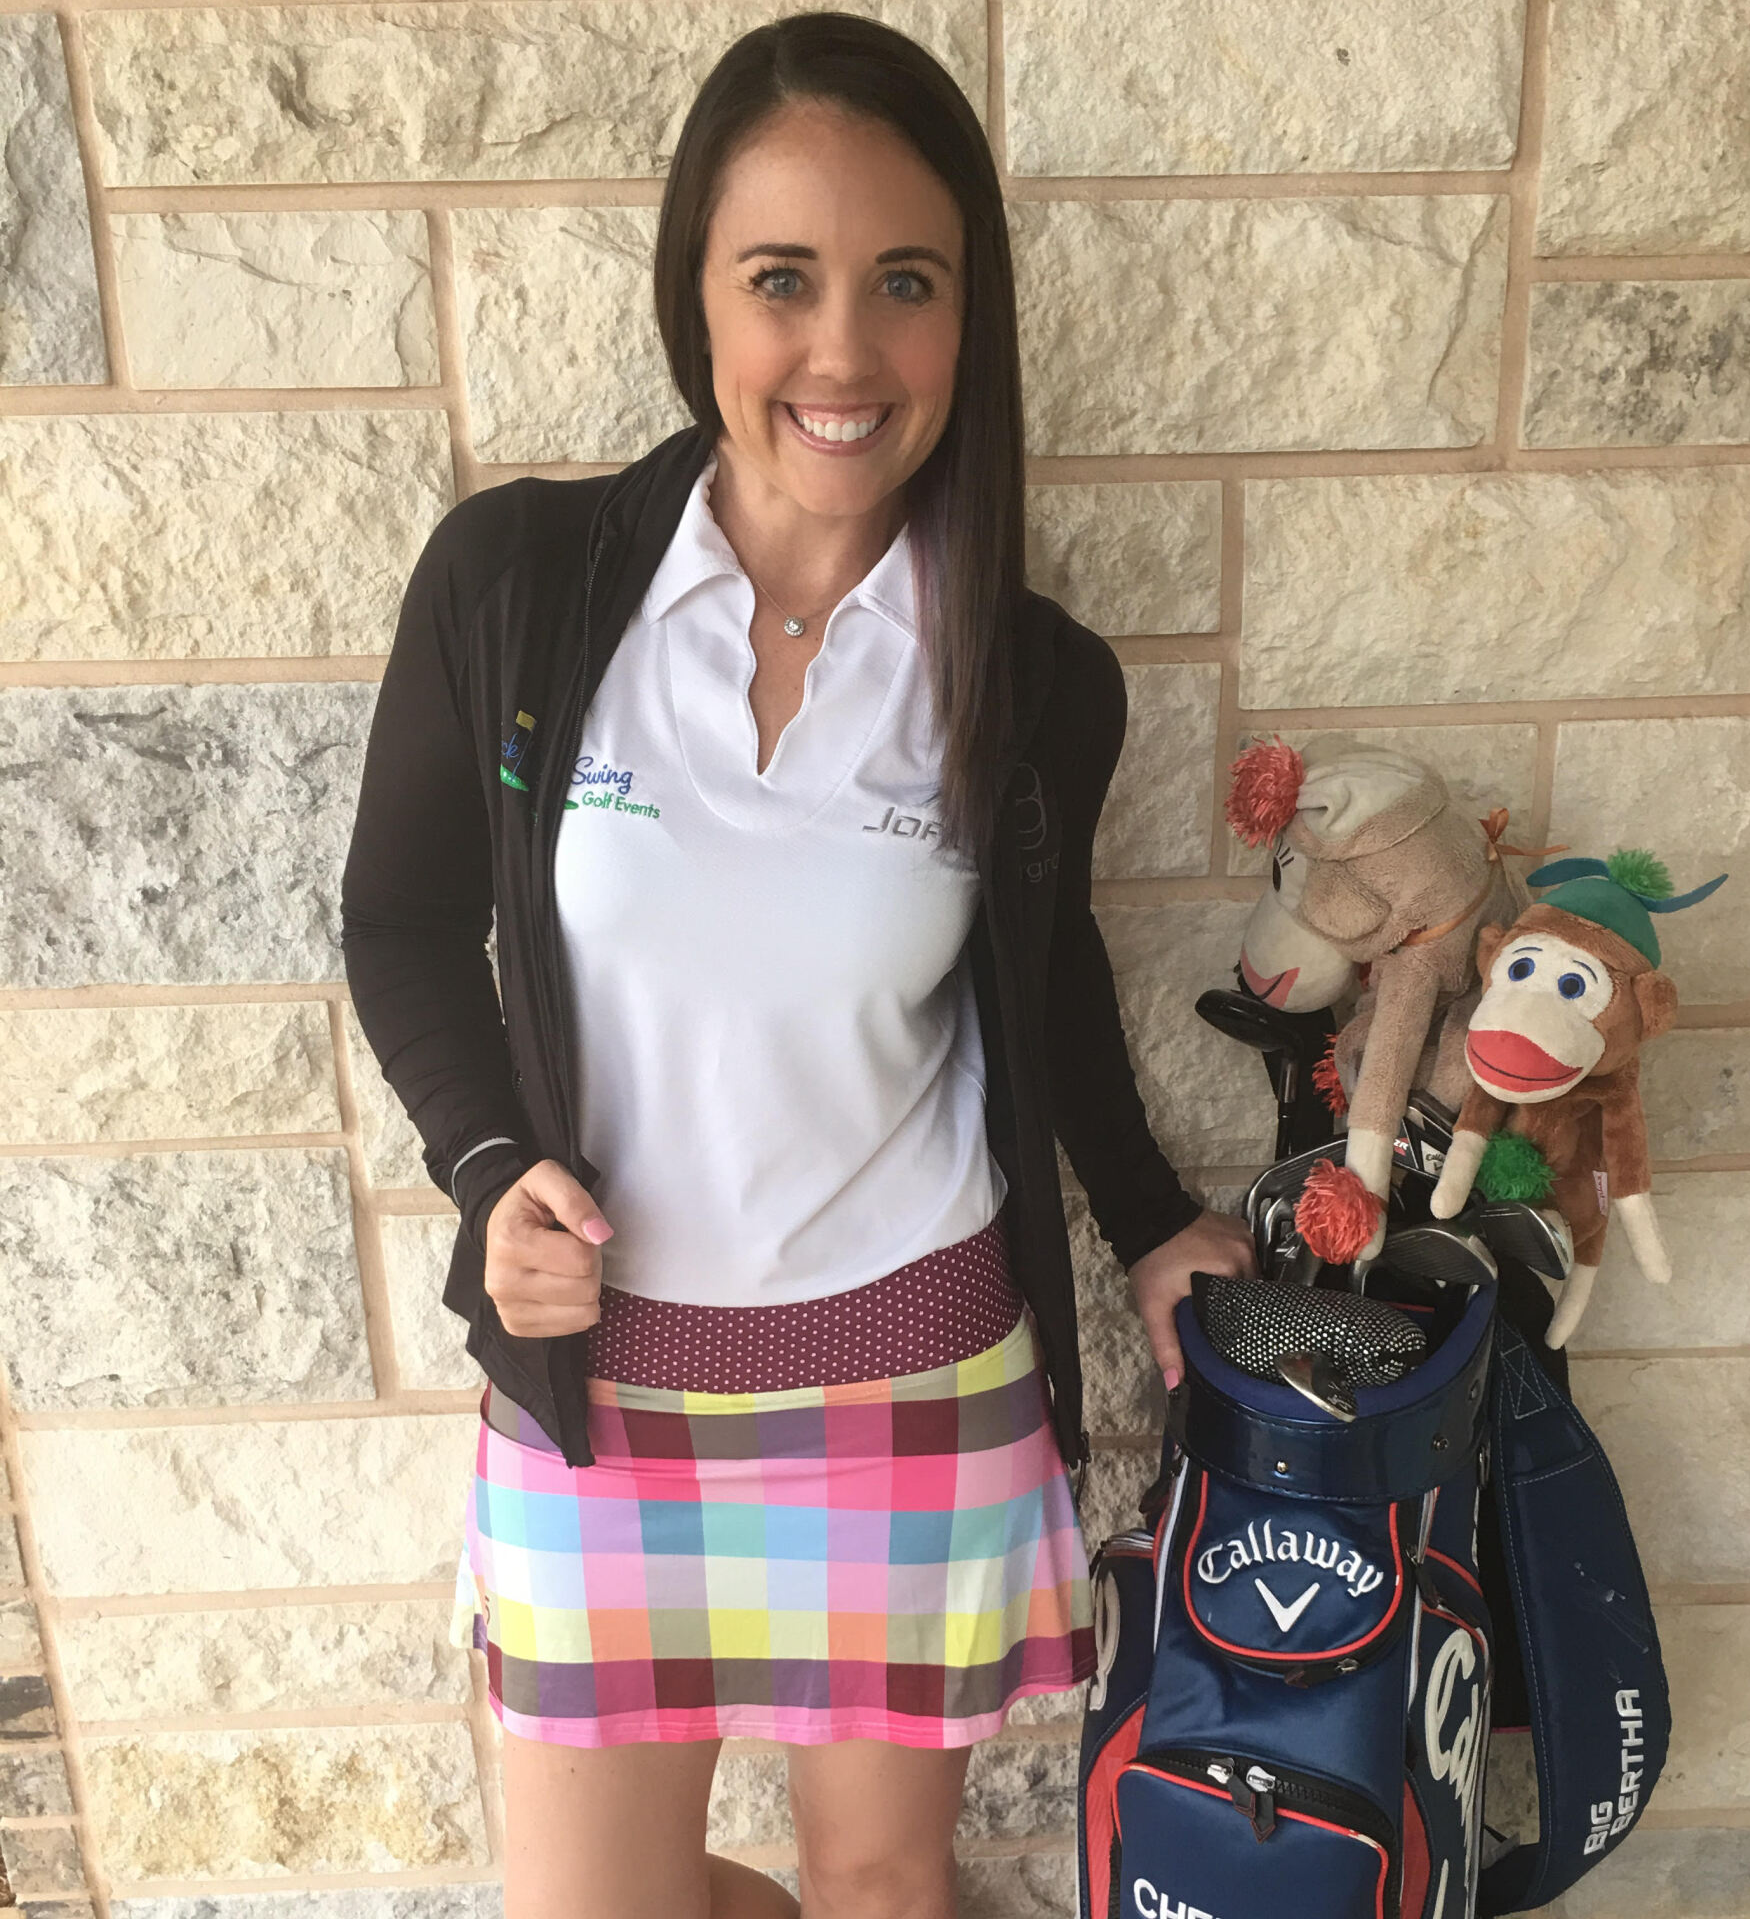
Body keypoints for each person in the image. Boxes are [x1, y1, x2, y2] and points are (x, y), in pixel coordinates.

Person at [341, 12, 1254, 1917]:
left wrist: (1159, 1215)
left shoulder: (1032, 673)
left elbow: (1046, 963)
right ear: (700, 301)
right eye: (785, 282)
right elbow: (406, 915)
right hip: (606, 1387)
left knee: (880, 1892)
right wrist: (490, 1166)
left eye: (902, 285)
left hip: (910, 1375)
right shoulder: (517, 588)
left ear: (964, 320)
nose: (843, 352)